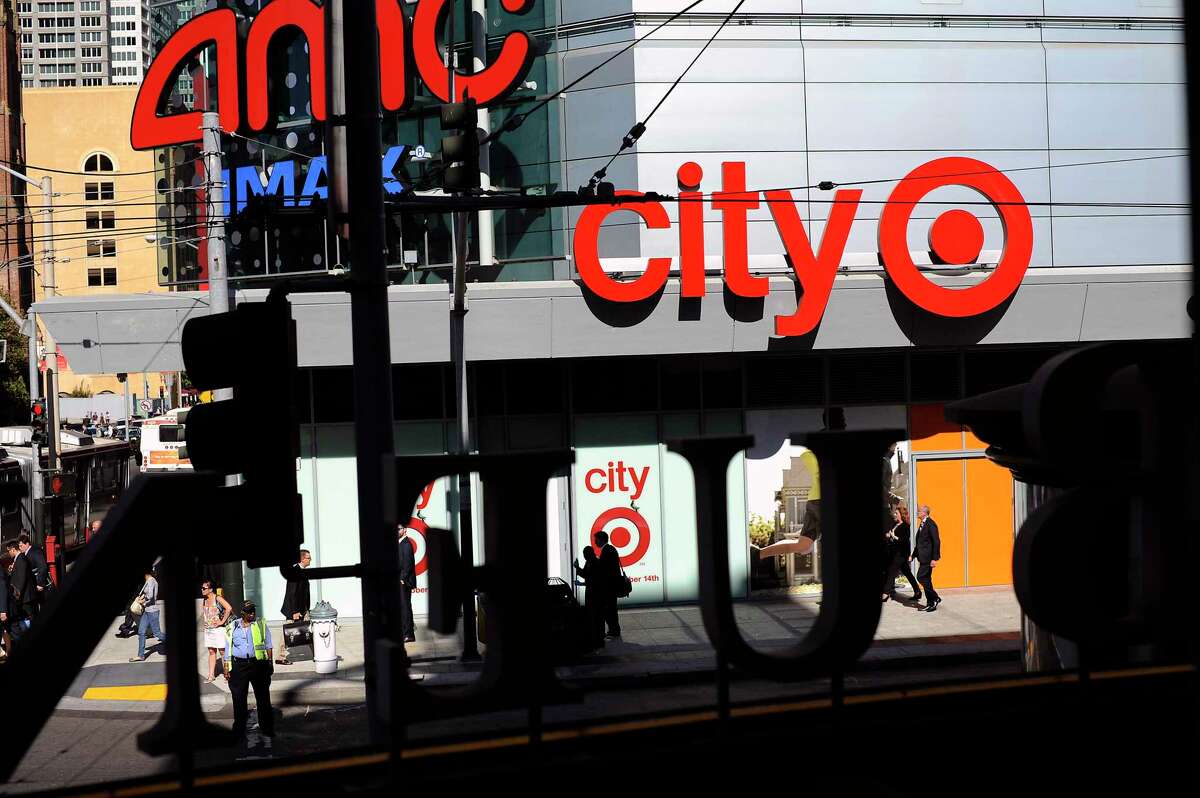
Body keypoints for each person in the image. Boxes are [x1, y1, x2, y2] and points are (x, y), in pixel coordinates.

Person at [224, 600, 276, 753]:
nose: (252, 614)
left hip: (258, 665)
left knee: (263, 697)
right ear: (243, 613)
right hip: (239, 667)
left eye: (253, 611)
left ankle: (267, 729)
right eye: (249, 612)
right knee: (238, 699)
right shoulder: (233, 627)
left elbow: (268, 644)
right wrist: (227, 667)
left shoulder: (260, 624)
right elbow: (228, 647)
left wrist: (270, 663)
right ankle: (239, 730)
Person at [277, 549, 312, 665]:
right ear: (302, 559)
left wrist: (307, 608)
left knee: (310, 630)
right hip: (293, 609)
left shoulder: (303, 571)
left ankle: (317, 655)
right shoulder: (294, 572)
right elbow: (292, 593)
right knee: (287, 633)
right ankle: (280, 657)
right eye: (308, 558)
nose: (310, 559)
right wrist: (295, 611)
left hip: (303, 608)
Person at [883, 506, 922, 603]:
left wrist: (894, 537)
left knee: (892, 571)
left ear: (901, 514)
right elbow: (891, 536)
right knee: (907, 572)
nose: (895, 515)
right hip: (894, 553)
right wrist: (888, 535)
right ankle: (917, 591)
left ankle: (885, 593)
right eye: (895, 513)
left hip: (901, 554)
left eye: (896, 513)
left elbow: (903, 541)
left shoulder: (905, 526)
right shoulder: (895, 524)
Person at [129, 570, 166, 661]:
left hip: (152, 611)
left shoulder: (151, 581)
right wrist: (141, 597)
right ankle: (141, 655)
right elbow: (146, 594)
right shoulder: (148, 581)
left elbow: (151, 596)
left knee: (157, 633)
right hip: (146, 611)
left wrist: (142, 601)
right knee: (141, 632)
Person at [911, 504, 942, 612]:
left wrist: (934, 558)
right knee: (927, 579)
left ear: (925, 513)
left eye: (919, 511)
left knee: (921, 577)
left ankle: (935, 597)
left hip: (928, 558)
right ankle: (930, 602)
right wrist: (913, 555)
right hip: (923, 557)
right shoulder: (922, 524)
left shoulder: (931, 524)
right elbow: (920, 543)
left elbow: (936, 542)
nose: (917, 513)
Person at [201, 579, 233, 682]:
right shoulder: (204, 600)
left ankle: (227, 674)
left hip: (219, 630)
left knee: (223, 652)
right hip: (208, 630)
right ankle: (211, 675)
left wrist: (222, 622)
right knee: (211, 652)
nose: (202, 590)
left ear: (210, 589)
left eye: (204, 588)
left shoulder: (217, 598)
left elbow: (229, 608)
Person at [572, 546, 603, 650]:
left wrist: (582, 582)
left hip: (595, 594)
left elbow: (592, 578)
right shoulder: (590, 561)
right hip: (591, 593)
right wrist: (577, 568)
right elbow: (586, 575)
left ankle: (598, 640)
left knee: (596, 617)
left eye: (585, 554)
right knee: (594, 617)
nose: (584, 556)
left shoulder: (595, 562)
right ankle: (596, 639)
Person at [592, 530, 621, 640]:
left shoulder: (607, 551)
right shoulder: (610, 549)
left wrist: (595, 560)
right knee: (611, 608)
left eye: (596, 540)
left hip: (609, 586)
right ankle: (614, 629)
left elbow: (603, 568)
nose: (595, 542)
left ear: (601, 539)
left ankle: (613, 630)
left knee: (610, 609)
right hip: (612, 585)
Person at [5, 540, 35, 635]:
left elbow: (21, 579)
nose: (8, 553)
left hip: (25, 597)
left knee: (29, 618)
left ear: (13, 549)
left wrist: (17, 595)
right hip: (23, 596)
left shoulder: (21, 559)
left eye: (8, 551)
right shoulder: (18, 559)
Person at [18, 533, 51, 602]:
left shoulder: (35, 552)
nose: (19, 548)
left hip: (42, 585)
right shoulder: (27, 553)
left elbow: (42, 567)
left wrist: (40, 584)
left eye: (21, 546)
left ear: (27, 544)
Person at [397, 527, 417, 643]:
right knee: (403, 607)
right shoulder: (401, 543)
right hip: (402, 581)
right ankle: (405, 632)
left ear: (404, 530)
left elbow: (408, 564)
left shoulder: (406, 544)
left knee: (405, 607)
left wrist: (402, 579)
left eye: (399, 529)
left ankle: (409, 634)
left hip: (405, 582)